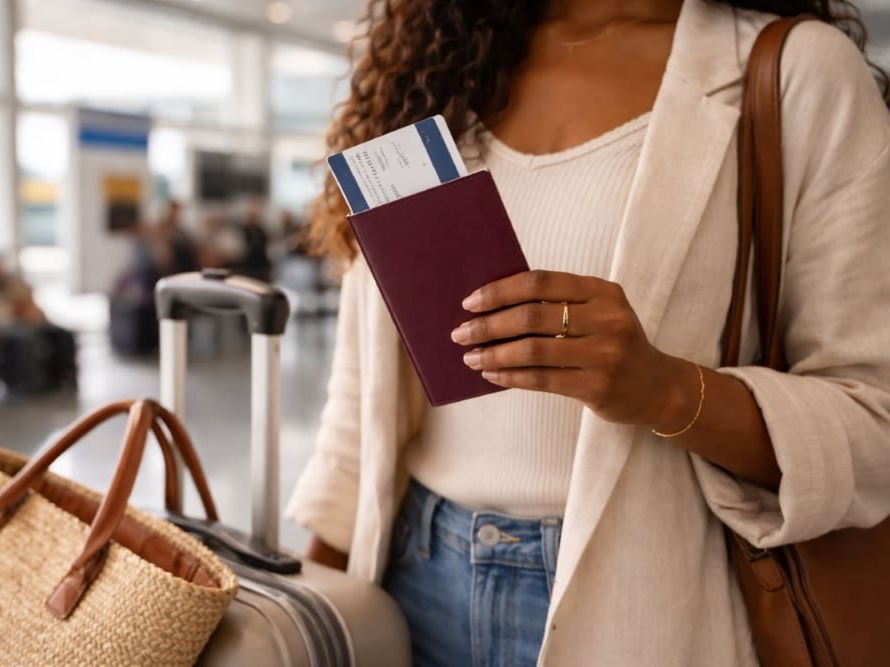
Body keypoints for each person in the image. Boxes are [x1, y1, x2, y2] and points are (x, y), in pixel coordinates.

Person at [284, 1, 890, 665]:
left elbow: (873, 421)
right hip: (412, 584)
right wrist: (312, 615)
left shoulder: (793, 73)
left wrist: (667, 392)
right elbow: (362, 404)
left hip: (652, 604)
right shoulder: (432, 73)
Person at [0, 252, 76, 391]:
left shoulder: (11, 284)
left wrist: (31, 312)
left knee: (62, 334)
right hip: (1, 327)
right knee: (28, 339)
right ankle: (36, 383)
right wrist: (13, 312)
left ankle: (63, 376)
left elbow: (27, 301)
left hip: (26, 322)